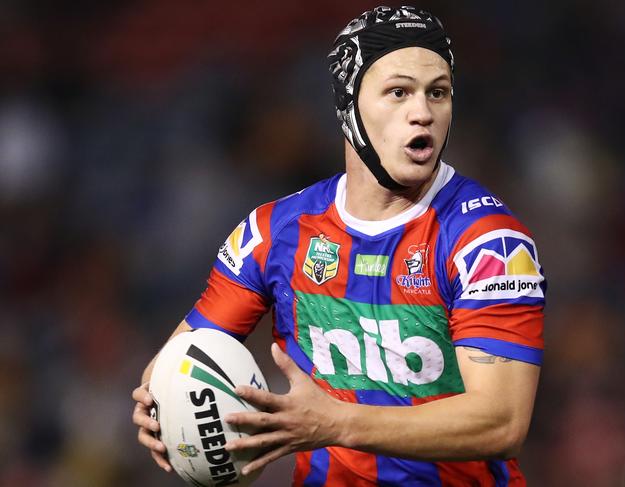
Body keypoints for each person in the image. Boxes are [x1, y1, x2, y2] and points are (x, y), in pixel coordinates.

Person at [132, 6, 545, 486]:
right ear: (348, 104)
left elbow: (501, 422)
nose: (423, 112)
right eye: (398, 92)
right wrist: (157, 402)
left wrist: (335, 423)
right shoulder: (275, 232)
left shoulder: (487, 242)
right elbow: (177, 361)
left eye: (439, 92)